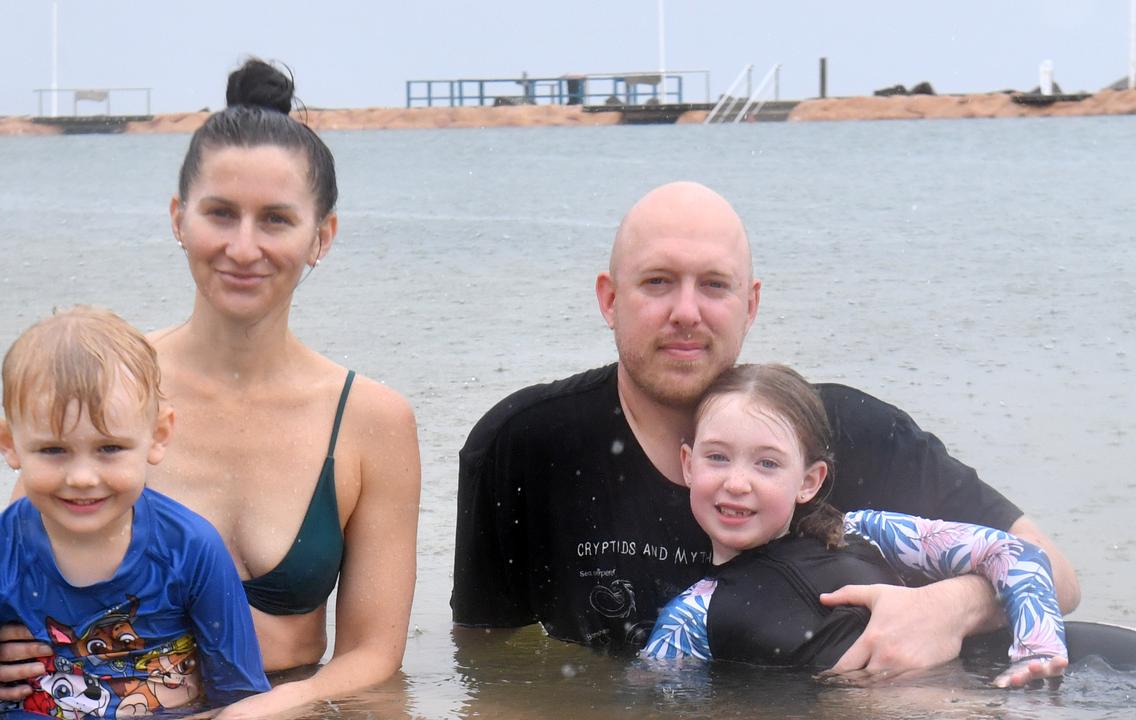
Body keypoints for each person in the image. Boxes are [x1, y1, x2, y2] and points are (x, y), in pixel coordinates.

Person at [453, 181, 1079, 678]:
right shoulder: (524, 447)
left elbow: (1059, 576)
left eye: (715, 286)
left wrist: (948, 608)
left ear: (750, 304)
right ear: (609, 298)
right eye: (658, 282)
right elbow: (485, 666)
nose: (686, 313)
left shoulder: (851, 429)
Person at [0, 59, 422, 718]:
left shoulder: (370, 421)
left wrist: (275, 708)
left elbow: (372, 654)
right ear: (178, 218)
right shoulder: (103, 385)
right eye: (220, 214)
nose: (243, 248)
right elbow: (3, 583)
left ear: (322, 236)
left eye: (276, 219)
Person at [0, 306, 270, 719]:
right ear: (8, 443)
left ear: (158, 435)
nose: (82, 477)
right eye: (53, 450)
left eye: (109, 448)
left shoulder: (191, 549)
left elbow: (242, 702)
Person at [639, 363, 1068, 688]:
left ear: (809, 481)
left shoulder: (865, 532)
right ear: (688, 466)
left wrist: (1036, 651)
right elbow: (659, 697)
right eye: (717, 457)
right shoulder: (691, 618)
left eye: (767, 464)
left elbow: (1015, 551)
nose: (736, 483)